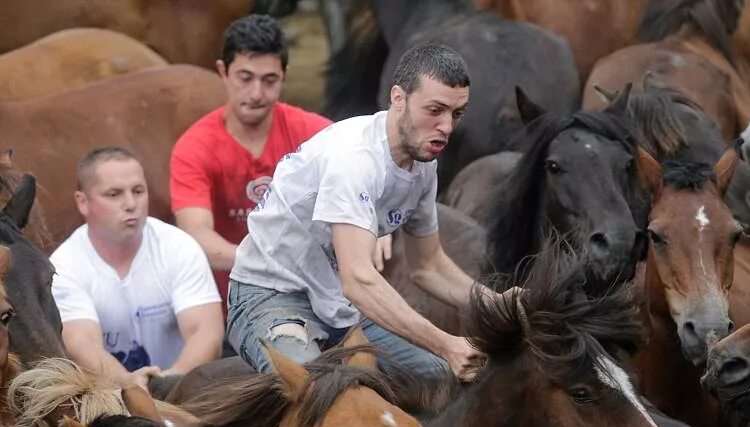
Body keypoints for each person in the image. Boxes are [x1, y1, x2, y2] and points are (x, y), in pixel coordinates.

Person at [228, 43, 498, 382]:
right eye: (435, 110)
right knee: (316, 390)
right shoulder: (354, 159)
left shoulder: (423, 163)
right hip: (270, 296)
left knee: (442, 381)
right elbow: (357, 280)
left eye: (456, 114)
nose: (446, 126)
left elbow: (427, 266)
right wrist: (446, 344)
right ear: (398, 98)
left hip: (336, 303)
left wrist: (495, 302)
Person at [170, 14, 339, 304]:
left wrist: (374, 224)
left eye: (269, 80)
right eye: (245, 78)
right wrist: (268, 267)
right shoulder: (194, 148)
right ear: (223, 72)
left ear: (284, 75)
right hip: (228, 299)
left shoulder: (316, 134)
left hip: (312, 296)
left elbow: (364, 169)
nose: (256, 93)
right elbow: (196, 233)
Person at [52, 147, 223, 390]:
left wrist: (169, 383)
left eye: (138, 191)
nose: (131, 204)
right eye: (114, 194)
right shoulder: (64, 265)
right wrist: (132, 387)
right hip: (108, 398)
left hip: (182, 390)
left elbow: (206, 331)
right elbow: (82, 344)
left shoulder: (178, 246)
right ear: (83, 202)